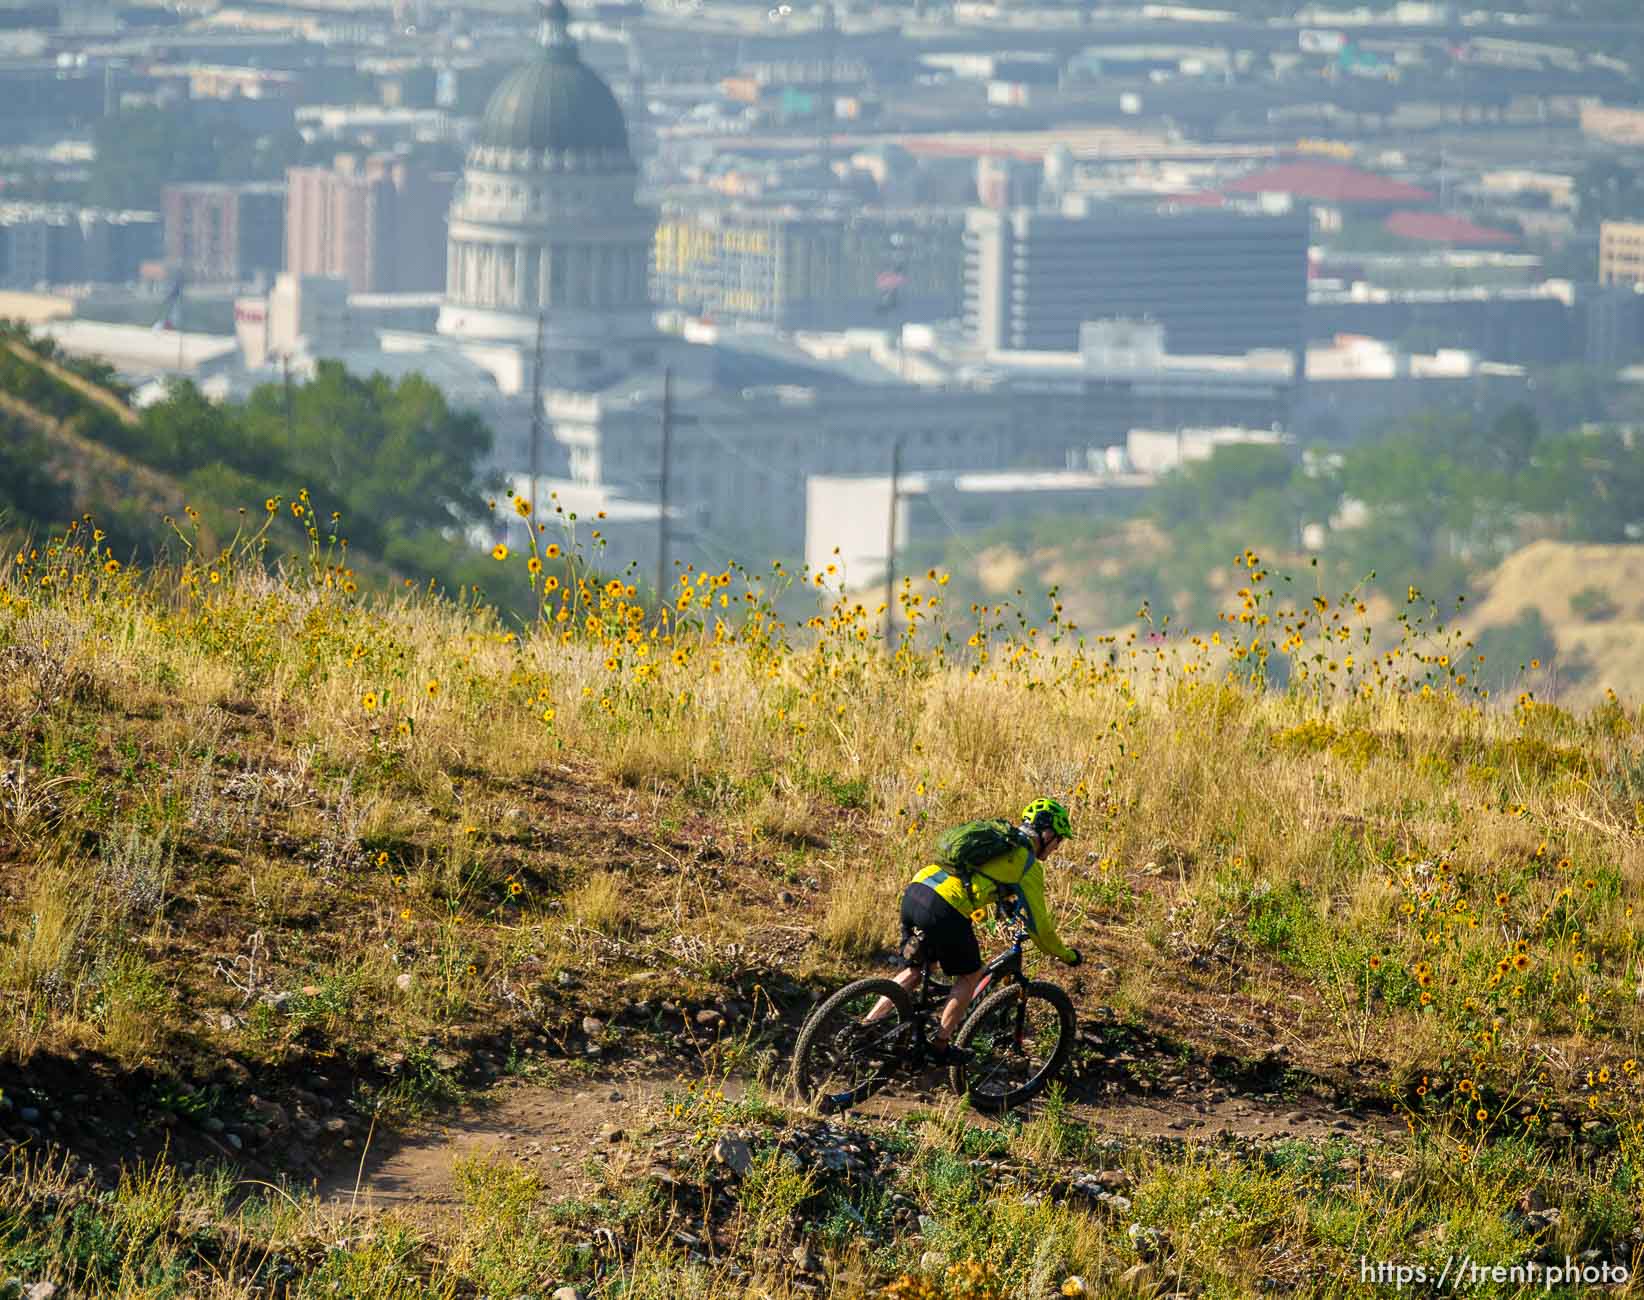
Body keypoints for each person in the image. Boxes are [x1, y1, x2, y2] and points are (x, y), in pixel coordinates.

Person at [881, 796, 1082, 1065]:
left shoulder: (998, 841)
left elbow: (981, 878)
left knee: (915, 970)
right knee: (970, 975)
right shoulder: (1026, 862)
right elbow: (1041, 929)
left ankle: (865, 1026)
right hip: (945, 908)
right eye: (1059, 839)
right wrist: (1067, 955)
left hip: (918, 890)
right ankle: (940, 1045)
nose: (1058, 847)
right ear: (1046, 834)